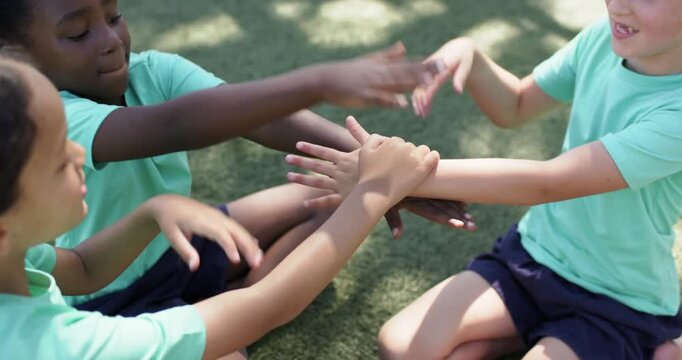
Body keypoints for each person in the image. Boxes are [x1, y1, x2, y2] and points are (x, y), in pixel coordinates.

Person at [0, 0, 473, 324]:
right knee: (234, 342)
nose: (109, 39)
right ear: (17, 56)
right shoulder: (52, 116)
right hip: (108, 296)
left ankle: (239, 299)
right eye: (79, 33)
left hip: (175, 244)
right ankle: (242, 308)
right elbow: (174, 125)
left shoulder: (151, 70)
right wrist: (318, 81)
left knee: (336, 188)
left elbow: (264, 120)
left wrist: (384, 173)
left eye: (113, 15)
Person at [284, 0, 682, 357]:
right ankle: (535, 331)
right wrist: (471, 57)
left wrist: (400, 176)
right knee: (399, 347)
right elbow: (517, 105)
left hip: (615, 301)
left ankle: (654, 345)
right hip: (534, 255)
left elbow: (548, 182)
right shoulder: (601, 36)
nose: (620, 4)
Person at [0, 57, 441, 359]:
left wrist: (154, 209)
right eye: (60, 161)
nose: (79, 158)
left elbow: (81, 267)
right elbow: (268, 305)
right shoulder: (66, 344)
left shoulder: (15, 259)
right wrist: (374, 192)